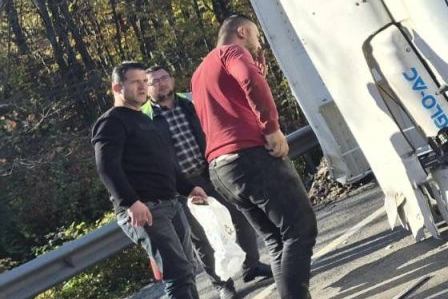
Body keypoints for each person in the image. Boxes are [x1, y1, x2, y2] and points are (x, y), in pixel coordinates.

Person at [192, 16, 317, 299]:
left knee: (276, 240)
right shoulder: (232, 52)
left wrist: (257, 69)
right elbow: (248, 79)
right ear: (242, 31)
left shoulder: (200, 72)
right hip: (251, 157)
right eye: (256, 37)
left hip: (221, 169)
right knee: (300, 229)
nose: (258, 43)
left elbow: (230, 100)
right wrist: (271, 127)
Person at [146, 65, 273, 299]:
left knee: (241, 217)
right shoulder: (147, 118)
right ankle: (222, 283)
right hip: (181, 186)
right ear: (147, 88)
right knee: (202, 238)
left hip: (211, 173)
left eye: (164, 77)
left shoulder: (190, 102)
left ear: (172, 80)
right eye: (154, 81)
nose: (161, 83)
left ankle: (251, 266)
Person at [92, 62, 209, 299]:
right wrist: (131, 202)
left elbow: (165, 163)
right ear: (117, 87)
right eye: (136, 82)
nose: (143, 87)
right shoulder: (111, 121)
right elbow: (107, 166)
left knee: (187, 271)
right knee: (177, 275)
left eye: (144, 82)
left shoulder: (145, 119)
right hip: (145, 209)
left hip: (171, 204)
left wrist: (188, 188)